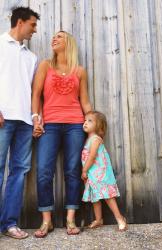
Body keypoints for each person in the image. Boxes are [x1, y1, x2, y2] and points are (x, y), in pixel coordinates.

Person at [32, 31, 92, 237]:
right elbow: (36, 94)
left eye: (60, 37)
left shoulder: (80, 71)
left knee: (73, 171)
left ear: (69, 43)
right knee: (44, 171)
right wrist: (36, 118)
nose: (54, 39)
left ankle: (70, 219)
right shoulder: (45, 66)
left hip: (75, 124)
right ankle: (46, 221)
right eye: (53, 37)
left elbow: (84, 100)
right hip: (50, 125)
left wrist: (91, 122)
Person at [0, 7, 40, 239]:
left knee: (19, 172)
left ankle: (9, 223)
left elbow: (33, 92)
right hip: (3, 117)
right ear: (20, 22)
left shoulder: (31, 56)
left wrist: (35, 117)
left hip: (25, 121)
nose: (34, 30)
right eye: (32, 25)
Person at [81, 111, 127, 231]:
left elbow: (92, 157)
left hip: (100, 173)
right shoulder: (88, 139)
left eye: (90, 121)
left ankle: (120, 218)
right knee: (95, 197)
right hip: (93, 173)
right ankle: (98, 219)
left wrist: (84, 170)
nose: (85, 123)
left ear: (98, 125)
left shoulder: (96, 139)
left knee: (108, 196)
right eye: (85, 120)